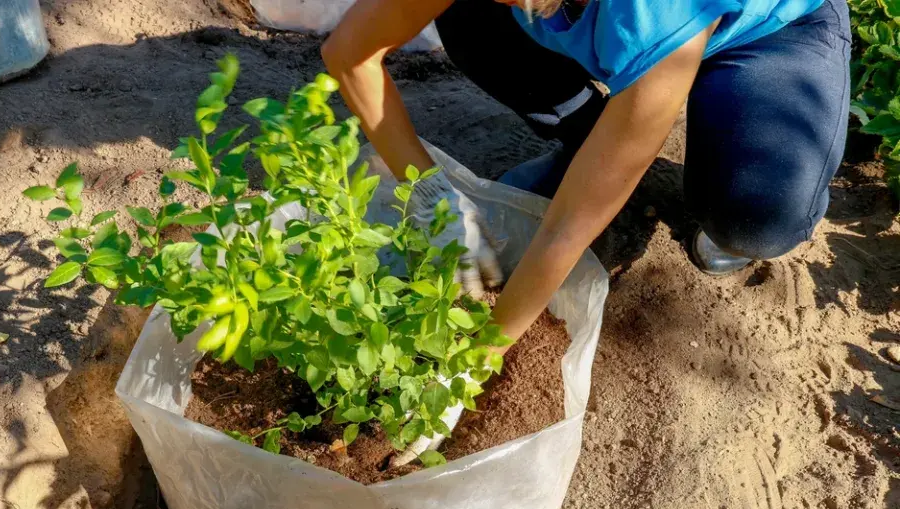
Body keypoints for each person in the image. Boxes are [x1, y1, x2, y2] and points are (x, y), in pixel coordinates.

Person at [322, 0, 850, 349]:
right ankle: (593, 140)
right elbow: (350, 55)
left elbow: (568, 227)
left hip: (768, 34)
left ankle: (721, 159)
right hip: (627, 30)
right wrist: (430, 190)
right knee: (466, 17)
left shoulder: (655, 9)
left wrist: (480, 357)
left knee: (756, 216)